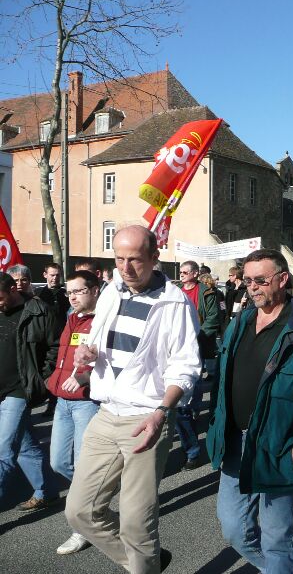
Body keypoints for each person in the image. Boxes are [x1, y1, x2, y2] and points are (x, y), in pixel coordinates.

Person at [65, 225, 201, 574]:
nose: (125, 267)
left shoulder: (175, 303)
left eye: (135, 260)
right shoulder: (111, 291)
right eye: (119, 258)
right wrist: (88, 357)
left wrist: (160, 413)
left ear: (155, 258)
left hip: (146, 417)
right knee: (79, 512)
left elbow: (185, 367)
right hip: (106, 412)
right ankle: (147, 564)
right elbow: (96, 342)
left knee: (137, 523)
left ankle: (144, 563)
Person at [206, 249, 293, 572]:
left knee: (277, 539)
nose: (252, 287)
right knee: (233, 528)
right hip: (236, 444)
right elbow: (221, 382)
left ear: (282, 280)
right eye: (248, 280)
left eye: (260, 280)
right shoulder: (239, 324)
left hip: (279, 447)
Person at [46, 270, 102, 555]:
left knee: (83, 467)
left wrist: (86, 377)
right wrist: (50, 378)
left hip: (86, 403)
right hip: (62, 400)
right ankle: (94, 498)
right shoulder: (71, 317)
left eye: (78, 291)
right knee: (58, 463)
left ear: (94, 290)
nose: (72, 296)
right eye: (69, 292)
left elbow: (112, 361)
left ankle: (83, 528)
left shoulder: (103, 320)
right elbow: (60, 353)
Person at [0, 272, 59, 512]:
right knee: (24, 444)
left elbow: (55, 346)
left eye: (0, 297)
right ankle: (47, 491)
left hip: (19, 390)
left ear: (13, 289)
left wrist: (41, 379)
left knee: (4, 451)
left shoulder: (39, 311)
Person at [175, 260, 221, 470]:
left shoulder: (207, 293)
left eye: (186, 272)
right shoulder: (174, 292)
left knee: (189, 398)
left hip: (199, 347)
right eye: (181, 272)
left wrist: (195, 337)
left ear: (195, 274)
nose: (182, 275)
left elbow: (213, 318)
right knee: (180, 403)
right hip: (176, 350)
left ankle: (193, 449)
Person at [36, 262, 70, 329]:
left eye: (57, 275)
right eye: (52, 275)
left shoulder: (66, 293)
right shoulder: (37, 293)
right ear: (45, 275)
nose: (55, 278)